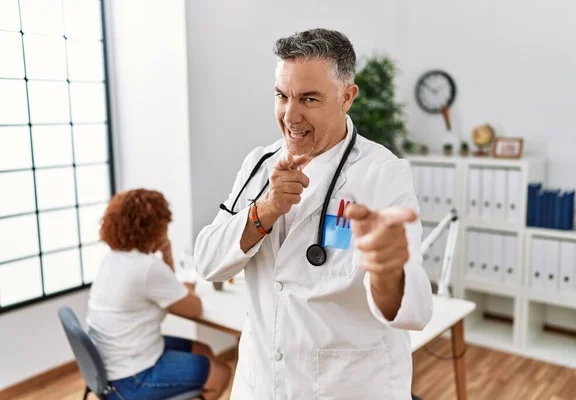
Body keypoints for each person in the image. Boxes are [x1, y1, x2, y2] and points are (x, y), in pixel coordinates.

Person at [194, 29, 433, 399]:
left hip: (346, 388)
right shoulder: (259, 164)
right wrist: (266, 210)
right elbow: (207, 262)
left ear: (347, 97)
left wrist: (388, 270)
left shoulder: (382, 173)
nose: (291, 115)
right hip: (262, 385)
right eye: (281, 96)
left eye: (308, 98)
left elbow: (412, 313)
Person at [87, 189, 231, 400]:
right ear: (154, 228)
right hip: (131, 377)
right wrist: (167, 257)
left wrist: (166, 257)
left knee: (204, 350)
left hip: (110, 365)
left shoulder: (112, 259)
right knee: (222, 373)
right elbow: (194, 307)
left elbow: (172, 290)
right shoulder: (147, 268)